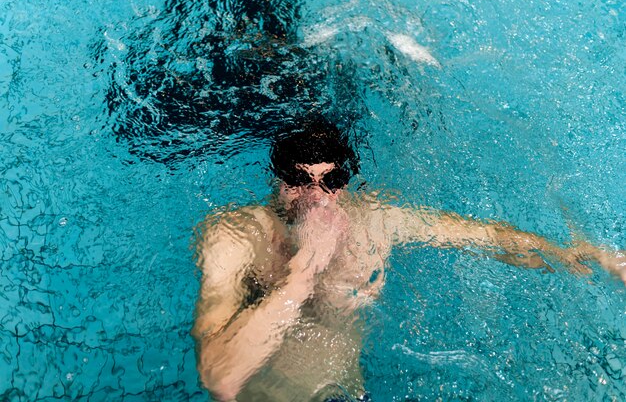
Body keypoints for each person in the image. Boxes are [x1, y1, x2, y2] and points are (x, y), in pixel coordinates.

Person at [191, 115, 625, 402]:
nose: (315, 198)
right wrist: (303, 272)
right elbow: (221, 378)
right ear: (275, 180)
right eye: (297, 179)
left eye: (331, 180)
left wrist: (578, 256)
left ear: (347, 183)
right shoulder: (235, 236)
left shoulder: (378, 220)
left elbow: (486, 236)